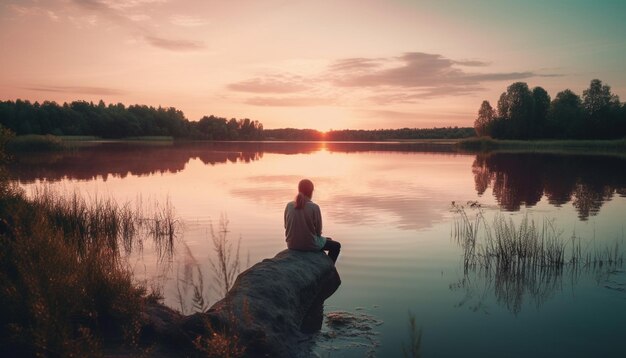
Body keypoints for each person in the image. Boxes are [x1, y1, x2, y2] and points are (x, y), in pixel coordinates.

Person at [284, 179, 341, 263]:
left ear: (299, 190)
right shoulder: (314, 207)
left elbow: (286, 226)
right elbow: (318, 232)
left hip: (292, 245)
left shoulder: (289, 205)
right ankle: (329, 267)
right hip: (309, 245)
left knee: (328, 239)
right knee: (336, 246)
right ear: (311, 191)